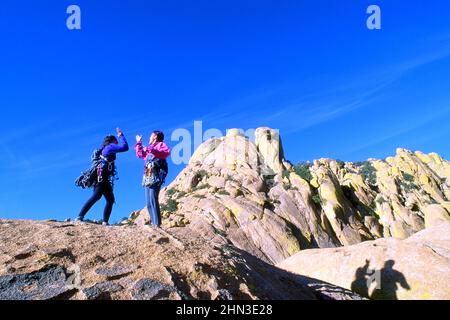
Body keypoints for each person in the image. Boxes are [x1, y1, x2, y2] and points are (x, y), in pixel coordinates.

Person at [76, 128, 129, 225]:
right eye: (116, 141)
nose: (117, 143)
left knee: (109, 199)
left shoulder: (106, 149)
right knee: (96, 196)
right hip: (102, 175)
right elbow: (125, 147)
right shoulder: (110, 147)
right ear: (112, 141)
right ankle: (80, 217)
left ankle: (104, 222)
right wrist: (121, 135)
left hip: (103, 176)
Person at [135, 131, 171, 228]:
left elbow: (166, 153)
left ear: (155, 136)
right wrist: (139, 143)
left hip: (156, 175)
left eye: (151, 135)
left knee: (153, 199)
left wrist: (152, 149)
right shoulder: (149, 149)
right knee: (148, 202)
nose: (149, 138)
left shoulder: (160, 145)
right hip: (148, 176)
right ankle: (154, 223)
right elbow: (140, 154)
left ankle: (157, 223)